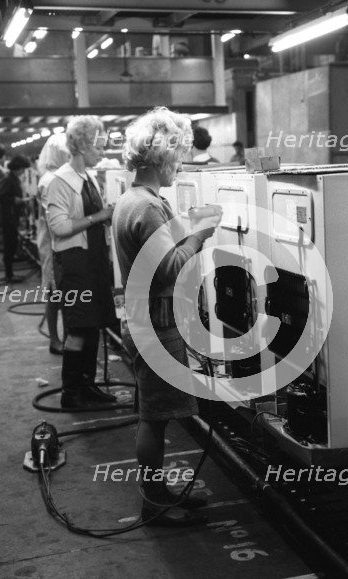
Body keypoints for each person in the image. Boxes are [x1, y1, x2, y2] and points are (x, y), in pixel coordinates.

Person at [113, 107, 222, 526]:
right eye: (177, 156)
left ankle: (158, 494)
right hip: (155, 325)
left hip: (144, 318)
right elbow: (169, 268)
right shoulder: (148, 208)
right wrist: (200, 235)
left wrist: (189, 223)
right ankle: (154, 502)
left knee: (153, 414)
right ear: (162, 158)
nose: (181, 165)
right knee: (154, 419)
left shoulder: (135, 200)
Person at [46, 115, 117, 410]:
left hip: (93, 262)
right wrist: (99, 217)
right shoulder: (60, 181)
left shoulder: (86, 177)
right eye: (98, 146)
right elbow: (59, 227)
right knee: (77, 330)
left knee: (93, 327)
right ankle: (71, 391)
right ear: (84, 145)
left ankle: (87, 384)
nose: (102, 152)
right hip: (75, 265)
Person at [37, 134, 71, 355]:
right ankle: (56, 340)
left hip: (55, 241)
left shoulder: (54, 177)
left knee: (61, 293)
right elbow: (57, 221)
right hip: (53, 243)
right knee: (55, 293)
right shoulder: (51, 180)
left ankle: (63, 338)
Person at [0, 155, 32, 283]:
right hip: (8, 218)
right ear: (18, 168)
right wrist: (14, 200)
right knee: (9, 246)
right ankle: (9, 275)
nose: (23, 172)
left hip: (12, 217)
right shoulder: (9, 180)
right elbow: (0, 196)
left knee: (12, 245)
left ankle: (10, 274)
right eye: (22, 169)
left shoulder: (14, 179)